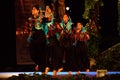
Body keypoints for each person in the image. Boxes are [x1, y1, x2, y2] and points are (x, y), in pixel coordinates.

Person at [27, 4, 48, 75]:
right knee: (32, 53)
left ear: (38, 10)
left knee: (42, 54)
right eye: (32, 9)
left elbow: (48, 19)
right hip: (33, 36)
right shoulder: (30, 19)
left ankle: (43, 72)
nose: (32, 10)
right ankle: (39, 64)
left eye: (34, 9)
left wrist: (45, 16)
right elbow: (29, 29)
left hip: (41, 35)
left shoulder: (41, 17)